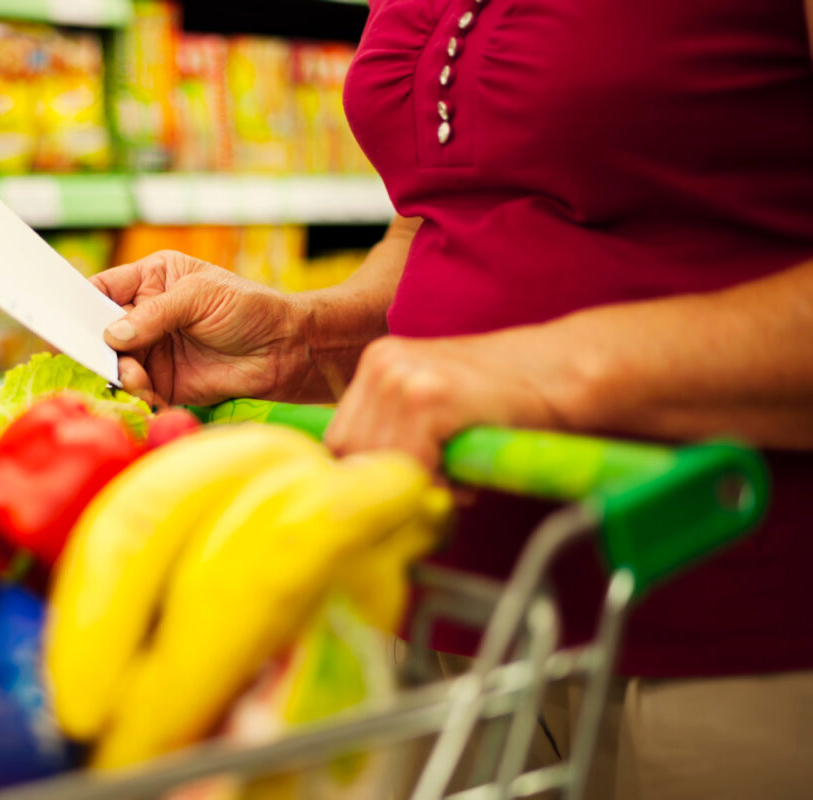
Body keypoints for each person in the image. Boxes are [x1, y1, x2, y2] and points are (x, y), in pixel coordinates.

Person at [92, 1, 813, 798]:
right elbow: (442, 219)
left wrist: (541, 373)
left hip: (725, 638)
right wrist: (309, 336)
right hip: (449, 609)